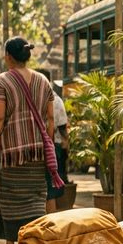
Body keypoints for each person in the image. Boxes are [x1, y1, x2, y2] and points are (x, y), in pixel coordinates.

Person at [0, 36, 62, 244]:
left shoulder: (2, 81)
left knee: (10, 198)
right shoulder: (43, 81)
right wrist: (46, 146)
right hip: (37, 153)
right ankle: (34, 243)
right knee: (37, 197)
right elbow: (50, 120)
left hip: (12, 153)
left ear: (8, 56)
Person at [38, 69, 69, 213]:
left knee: (47, 184)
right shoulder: (56, 99)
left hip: (45, 145)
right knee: (51, 183)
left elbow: (59, 125)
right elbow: (63, 126)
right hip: (53, 145)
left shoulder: (42, 97)